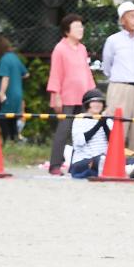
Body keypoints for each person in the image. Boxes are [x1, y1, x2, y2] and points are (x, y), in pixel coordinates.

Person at [46, 14, 94, 175]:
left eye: (82, 26)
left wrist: (92, 94)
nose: (81, 30)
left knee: (81, 133)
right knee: (63, 131)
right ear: (67, 31)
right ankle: (55, 165)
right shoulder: (60, 48)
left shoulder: (82, 49)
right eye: (77, 27)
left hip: (82, 97)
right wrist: (56, 95)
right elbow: (56, 73)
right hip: (66, 97)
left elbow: (87, 73)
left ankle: (79, 164)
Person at [101, 0, 134, 151]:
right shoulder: (113, 40)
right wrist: (118, 80)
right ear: (122, 20)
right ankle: (113, 164)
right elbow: (106, 66)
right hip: (120, 87)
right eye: (131, 16)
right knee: (118, 128)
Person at [66, 89, 114, 180]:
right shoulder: (80, 118)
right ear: (88, 104)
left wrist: (104, 125)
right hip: (84, 160)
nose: (97, 104)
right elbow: (79, 142)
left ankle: (131, 170)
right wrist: (99, 124)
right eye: (94, 102)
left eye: (100, 102)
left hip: (104, 157)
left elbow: (113, 143)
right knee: (99, 160)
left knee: (129, 160)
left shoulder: (107, 120)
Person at [0, 34, 26, 143]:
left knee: (3, 117)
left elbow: (5, 77)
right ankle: (14, 139)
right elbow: (26, 74)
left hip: (8, 94)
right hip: (18, 93)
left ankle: (6, 140)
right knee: (13, 118)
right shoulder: (14, 57)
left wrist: (1, 93)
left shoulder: (4, 60)